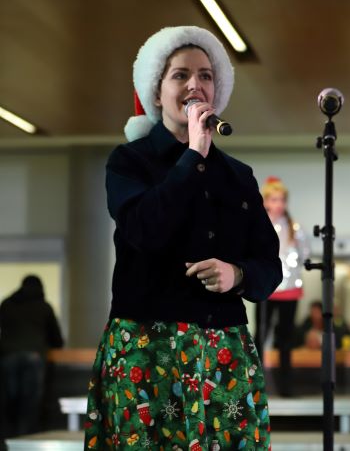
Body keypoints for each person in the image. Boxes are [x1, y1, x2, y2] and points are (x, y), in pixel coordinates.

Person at [84, 26, 282, 451]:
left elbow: (269, 264)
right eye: (180, 75)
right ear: (157, 94)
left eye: (206, 75)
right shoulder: (129, 161)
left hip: (223, 346)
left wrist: (238, 274)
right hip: (147, 346)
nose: (195, 84)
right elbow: (144, 230)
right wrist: (193, 155)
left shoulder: (238, 176)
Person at [254, 176, 310, 397]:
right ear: (266, 200)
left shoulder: (295, 229)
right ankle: (256, 384)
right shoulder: (259, 224)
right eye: (273, 199)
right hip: (267, 288)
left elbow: (306, 255)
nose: (278, 204)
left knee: (285, 339)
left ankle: (286, 386)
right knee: (260, 335)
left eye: (281, 200)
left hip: (290, 290)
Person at [0, 275, 64, 438]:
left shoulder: (6, 305)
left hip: (7, 356)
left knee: (10, 403)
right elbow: (57, 340)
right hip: (34, 357)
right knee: (30, 406)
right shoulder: (44, 307)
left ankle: (9, 440)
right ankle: (25, 441)